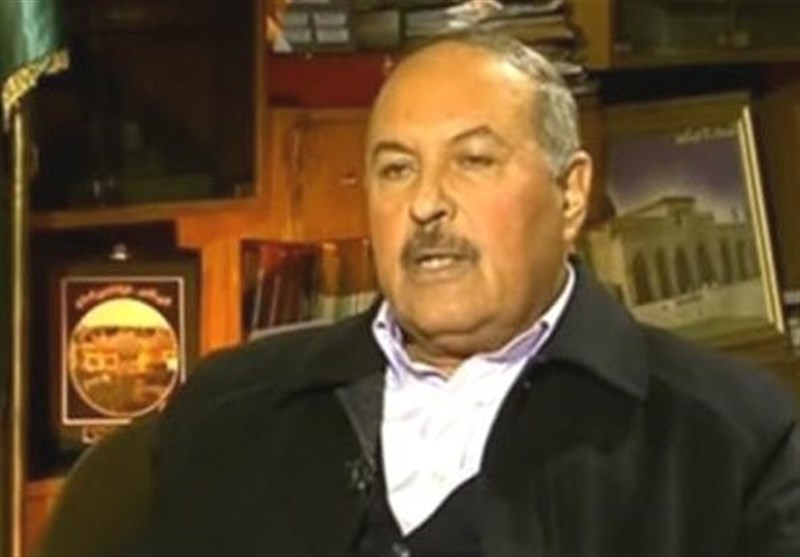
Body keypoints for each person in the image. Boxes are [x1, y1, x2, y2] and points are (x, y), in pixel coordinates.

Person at [130, 32, 799, 556]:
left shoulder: (728, 438)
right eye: (396, 168)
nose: (426, 202)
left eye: (473, 160)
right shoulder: (231, 413)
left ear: (570, 195)